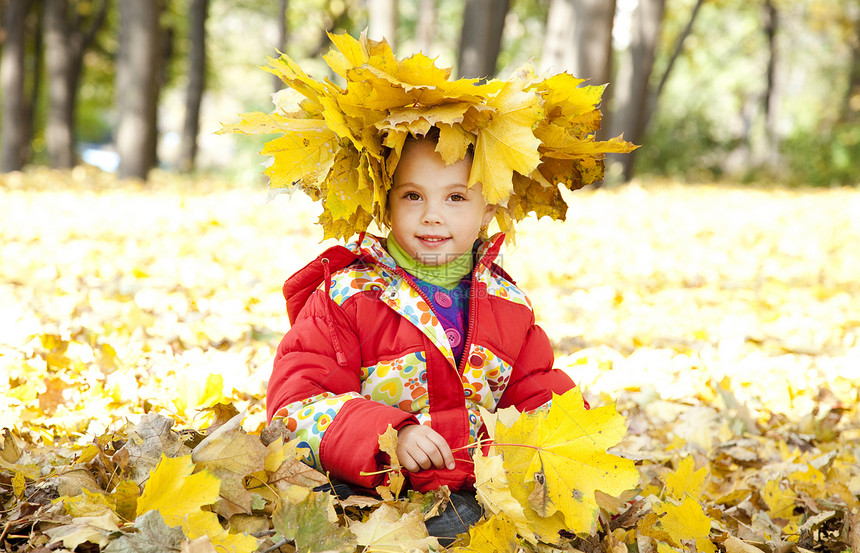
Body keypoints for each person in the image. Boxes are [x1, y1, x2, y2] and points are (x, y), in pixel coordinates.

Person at [223, 31, 635, 545]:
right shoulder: (349, 296)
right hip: (369, 492)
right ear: (384, 200)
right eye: (413, 195)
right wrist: (389, 435)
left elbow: (536, 395)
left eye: (457, 197)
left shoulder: (507, 307)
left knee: (502, 525)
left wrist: (577, 447)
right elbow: (295, 405)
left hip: (473, 490)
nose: (433, 215)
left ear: (489, 207)